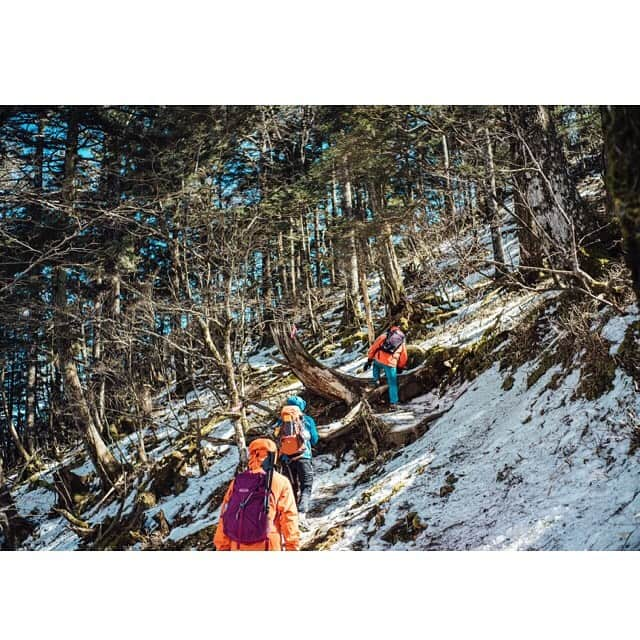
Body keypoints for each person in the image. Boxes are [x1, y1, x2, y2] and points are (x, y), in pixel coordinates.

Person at [213, 438, 300, 551]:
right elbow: (289, 516)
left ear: (252, 455)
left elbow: (225, 514)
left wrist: (223, 547)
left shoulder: (239, 481)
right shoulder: (280, 481)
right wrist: (292, 547)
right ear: (273, 456)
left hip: (238, 545)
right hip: (268, 545)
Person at [274, 395, 318, 530]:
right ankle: (301, 516)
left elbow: (276, 437)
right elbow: (315, 439)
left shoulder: (281, 421)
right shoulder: (307, 420)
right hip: (303, 456)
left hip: (287, 459)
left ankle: (289, 518)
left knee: (291, 487)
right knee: (306, 486)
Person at [364, 321, 408, 409]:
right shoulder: (401, 341)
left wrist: (369, 360)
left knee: (376, 365)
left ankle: (376, 380)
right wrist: (400, 366)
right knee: (392, 384)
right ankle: (394, 403)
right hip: (391, 364)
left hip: (379, 360)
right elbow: (404, 356)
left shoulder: (384, 336)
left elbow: (374, 347)